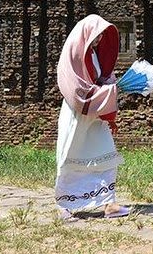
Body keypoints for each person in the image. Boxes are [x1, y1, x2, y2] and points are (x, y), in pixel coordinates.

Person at [54, 14, 129, 220]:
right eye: (96, 35)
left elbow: (99, 80)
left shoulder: (94, 54)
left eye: (101, 36)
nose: (98, 39)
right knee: (70, 154)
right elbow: (77, 90)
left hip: (95, 113)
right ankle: (64, 205)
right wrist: (106, 93)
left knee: (106, 153)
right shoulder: (74, 56)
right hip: (77, 113)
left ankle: (108, 203)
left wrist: (109, 86)